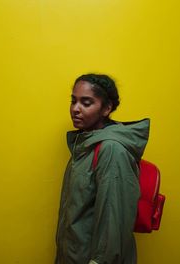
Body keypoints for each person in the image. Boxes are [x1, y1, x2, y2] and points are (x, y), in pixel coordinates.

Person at [55, 73, 150, 264]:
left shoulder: (111, 149)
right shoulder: (84, 146)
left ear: (106, 108)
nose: (75, 109)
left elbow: (113, 224)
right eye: (73, 101)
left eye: (86, 103)